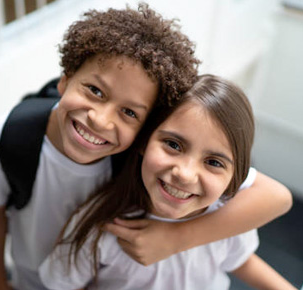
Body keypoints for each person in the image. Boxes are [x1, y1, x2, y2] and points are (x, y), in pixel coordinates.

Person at [0, 3, 291, 290]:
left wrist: (177, 238)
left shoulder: (151, 152)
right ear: (65, 77)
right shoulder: (7, 139)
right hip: (33, 276)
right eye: (95, 91)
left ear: (145, 131)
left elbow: (276, 197)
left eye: (129, 112)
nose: (100, 120)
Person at [39, 75, 296, 290]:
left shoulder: (229, 216)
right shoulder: (98, 225)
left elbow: (240, 261)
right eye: (173, 145)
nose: (184, 174)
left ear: (234, 177)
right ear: (144, 142)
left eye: (214, 162)